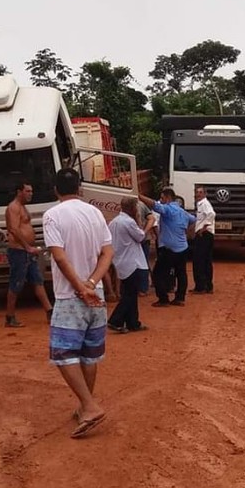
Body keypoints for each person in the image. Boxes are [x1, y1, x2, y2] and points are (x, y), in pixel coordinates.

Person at [42, 169, 114, 438]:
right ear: (80, 188)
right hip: (97, 298)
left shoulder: (52, 215)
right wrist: (92, 283)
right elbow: (108, 252)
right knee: (89, 354)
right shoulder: (94, 212)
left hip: (70, 297)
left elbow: (59, 258)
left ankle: (89, 405)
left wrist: (79, 288)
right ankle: (86, 405)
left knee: (63, 354)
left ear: (56, 190)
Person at [5, 182, 53, 328]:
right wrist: (27, 247)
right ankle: (10, 316)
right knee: (16, 283)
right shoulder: (13, 207)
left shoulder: (23, 207)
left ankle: (49, 311)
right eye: (27, 191)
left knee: (37, 280)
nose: (30, 193)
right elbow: (13, 229)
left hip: (28, 250)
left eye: (31, 191)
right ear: (19, 191)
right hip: (19, 251)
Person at [138, 188, 196, 307]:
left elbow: (154, 205)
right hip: (182, 247)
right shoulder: (182, 211)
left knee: (158, 273)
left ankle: (163, 299)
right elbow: (193, 219)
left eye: (162, 198)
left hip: (169, 249)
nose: (161, 200)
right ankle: (180, 298)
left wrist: (139, 196)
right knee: (181, 273)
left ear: (168, 198)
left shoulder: (169, 209)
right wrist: (185, 230)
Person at [107, 197, 153, 333]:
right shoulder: (129, 222)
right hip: (132, 262)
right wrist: (142, 225)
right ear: (133, 208)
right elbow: (140, 237)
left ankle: (133, 323)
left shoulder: (114, 222)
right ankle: (115, 320)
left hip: (121, 260)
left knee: (129, 293)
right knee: (130, 294)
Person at [192, 185, 216, 293]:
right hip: (204, 234)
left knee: (199, 261)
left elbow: (211, 214)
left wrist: (203, 228)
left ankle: (201, 286)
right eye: (197, 192)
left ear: (205, 194)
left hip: (204, 235)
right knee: (205, 260)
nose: (198, 194)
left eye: (200, 192)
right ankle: (206, 286)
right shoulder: (200, 204)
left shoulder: (205, 204)